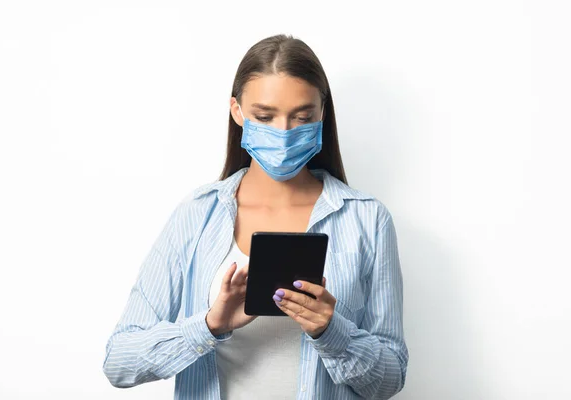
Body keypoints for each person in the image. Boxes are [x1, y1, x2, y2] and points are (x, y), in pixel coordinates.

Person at [102, 33, 408, 400]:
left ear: (321, 115)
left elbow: (391, 378)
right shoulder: (196, 215)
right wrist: (209, 325)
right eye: (265, 116)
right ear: (238, 112)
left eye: (302, 116)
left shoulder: (368, 220)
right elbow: (119, 362)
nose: (283, 132)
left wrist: (331, 331)